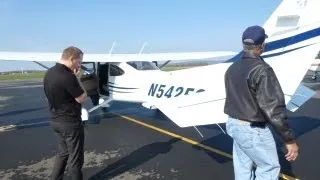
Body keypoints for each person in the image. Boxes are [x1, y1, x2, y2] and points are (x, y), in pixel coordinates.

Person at [224, 25, 299, 179]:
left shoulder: (232, 68)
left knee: (242, 166)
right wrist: (289, 140)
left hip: (233, 124)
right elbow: (274, 109)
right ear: (262, 45)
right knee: (269, 168)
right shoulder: (262, 69)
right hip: (252, 130)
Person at [43, 46, 87, 180]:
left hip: (55, 120)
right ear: (72, 59)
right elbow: (82, 97)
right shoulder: (68, 76)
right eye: (79, 61)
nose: (79, 65)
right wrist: (77, 78)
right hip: (70, 123)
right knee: (75, 159)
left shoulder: (49, 73)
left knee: (63, 154)